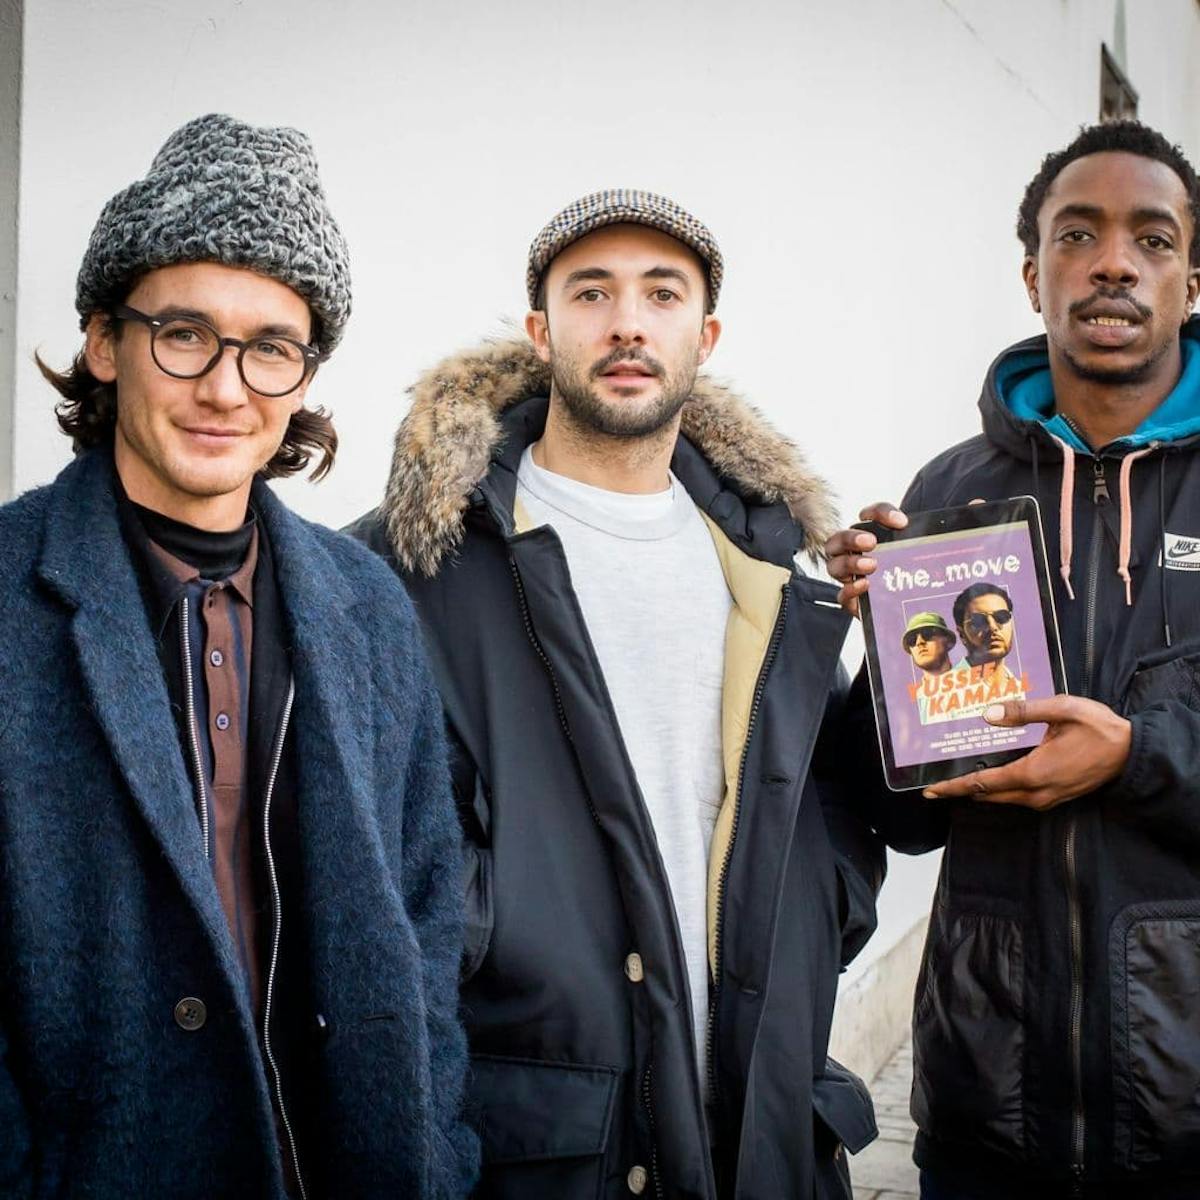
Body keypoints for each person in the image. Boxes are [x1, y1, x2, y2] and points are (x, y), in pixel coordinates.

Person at [349, 191, 885, 1198]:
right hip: (549, 1142)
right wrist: (500, 930)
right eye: (592, 294)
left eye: (662, 295)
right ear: (541, 332)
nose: (628, 323)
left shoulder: (769, 569)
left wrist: (826, 912)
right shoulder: (405, 568)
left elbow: (833, 811)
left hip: (764, 1134)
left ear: (705, 336)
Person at [0, 114, 476, 1198]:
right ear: (105, 342)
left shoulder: (367, 603)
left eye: (271, 348)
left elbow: (426, 912)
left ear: (304, 376)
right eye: (184, 334)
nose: (226, 388)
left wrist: (437, 1153)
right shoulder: (10, 589)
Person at [826, 120, 1200, 1198]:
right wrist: (884, 646)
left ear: (1192, 280)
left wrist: (1133, 756)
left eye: (1153, 238)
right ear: (1034, 275)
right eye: (1077, 234)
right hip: (988, 1113)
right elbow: (903, 818)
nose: (1114, 262)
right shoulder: (950, 493)